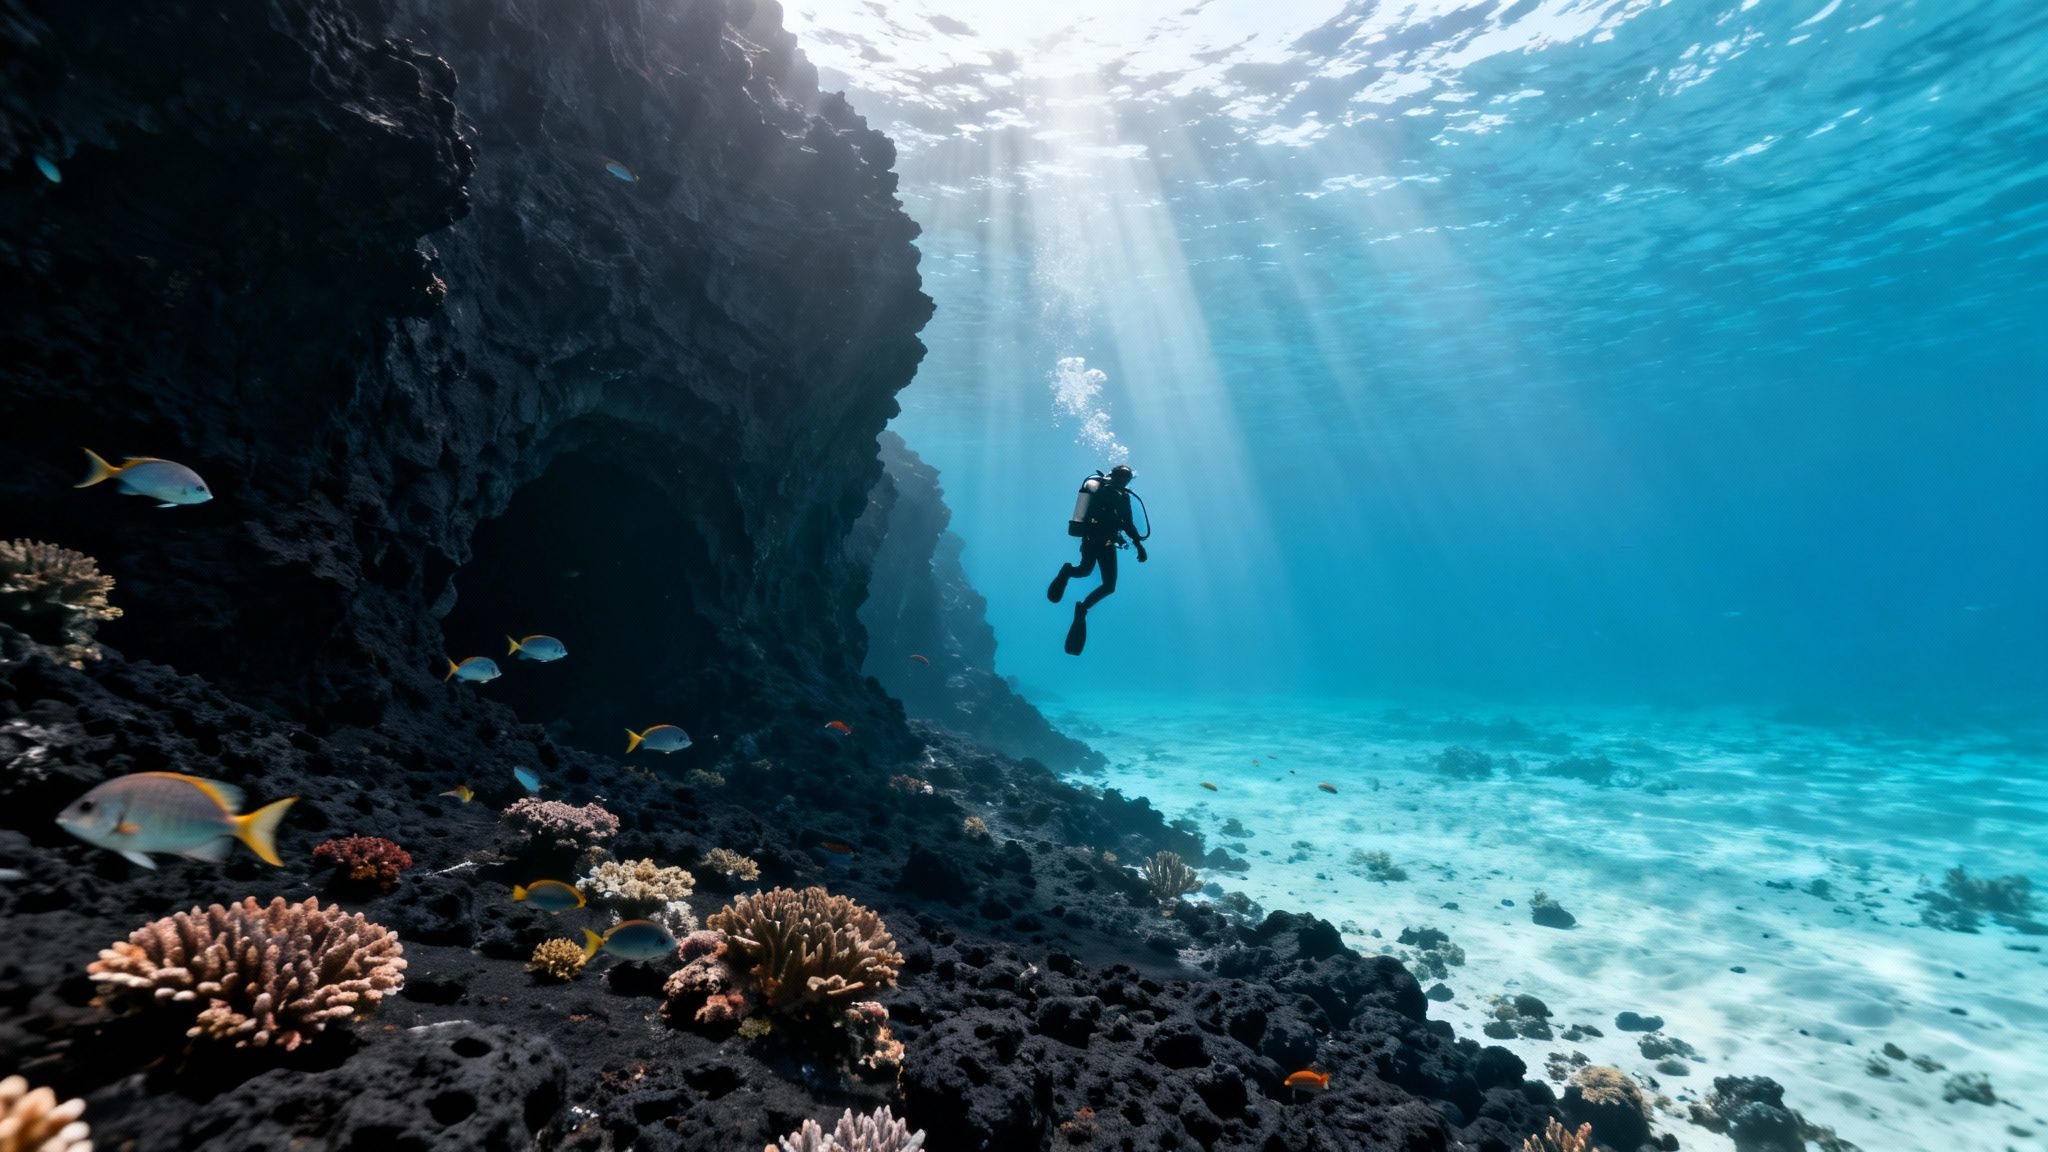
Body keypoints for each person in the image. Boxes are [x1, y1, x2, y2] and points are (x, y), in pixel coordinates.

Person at [1048, 463, 1146, 655]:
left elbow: (1128, 523)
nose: (1124, 481)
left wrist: (1139, 546)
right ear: (1114, 476)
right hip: (1092, 540)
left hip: (1108, 543)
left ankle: (1082, 609)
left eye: (1127, 479)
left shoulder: (1123, 496)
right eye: (1121, 477)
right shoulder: (1101, 489)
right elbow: (1113, 518)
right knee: (1084, 571)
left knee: (1109, 586)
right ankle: (1067, 571)